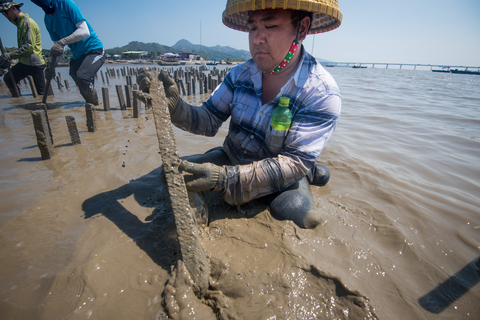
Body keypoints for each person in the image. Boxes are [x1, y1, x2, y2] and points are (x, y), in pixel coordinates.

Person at [139, 0, 343, 229]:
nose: (257, 39)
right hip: (233, 156)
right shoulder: (239, 75)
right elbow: (207, 121)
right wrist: (175, 108)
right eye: (253, 27)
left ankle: (312, 171)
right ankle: (313, 169)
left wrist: (224, 179)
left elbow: (292, 164)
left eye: (270, 26)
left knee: (294, 213)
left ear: (302, 29)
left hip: (282, 173)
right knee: (173, 175)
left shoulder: (321, 92)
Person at [31, 0, 105, 104]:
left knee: (82, 77)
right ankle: (91, 106)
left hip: (93, 50)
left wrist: (63, 41)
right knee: (74, 74)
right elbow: (59, 49)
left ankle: (95, 105)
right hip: (77, 55)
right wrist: (51, 67)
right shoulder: (47, 20)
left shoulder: (66, 3)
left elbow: (84, 31)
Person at [0, 1, 46, 96]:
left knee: (42, 95)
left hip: (34, 64)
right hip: (24, 63)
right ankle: (18, 101)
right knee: (8, 79)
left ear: (13, 8)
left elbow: (28, 47)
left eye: (7, 13)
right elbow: (10, 18)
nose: (7, 17)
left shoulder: (27, 22)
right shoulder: (19, 22)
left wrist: (10, 55)